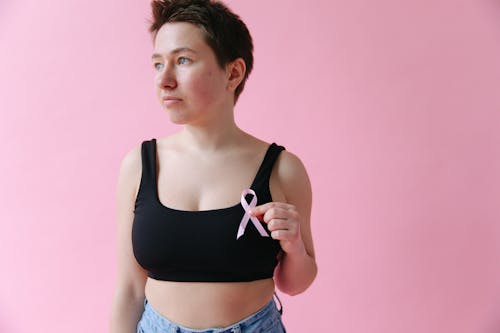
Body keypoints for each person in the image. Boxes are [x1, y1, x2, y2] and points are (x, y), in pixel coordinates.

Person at [109, 0, 317, 332]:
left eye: (183, 60)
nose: (164, 80)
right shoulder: (139, 166)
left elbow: (296, 283)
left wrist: (294, 246)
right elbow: (130, 291)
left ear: (233, 73)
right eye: (158, 64)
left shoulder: (282, 170)